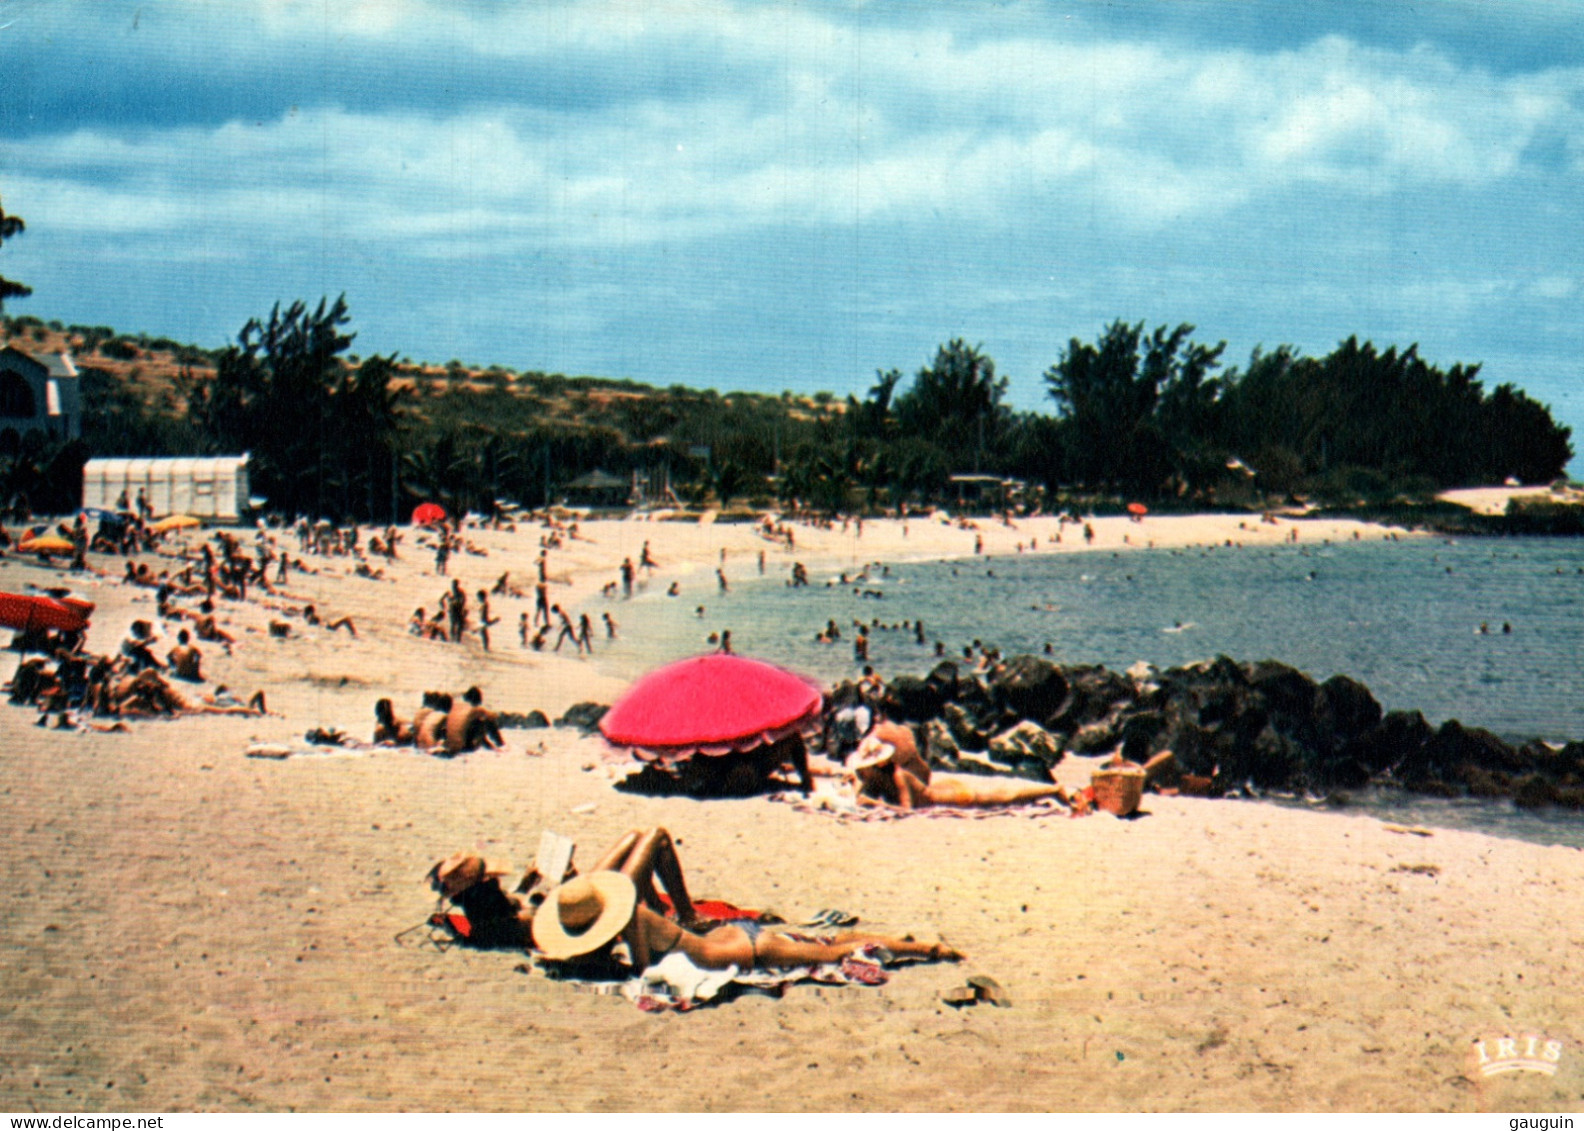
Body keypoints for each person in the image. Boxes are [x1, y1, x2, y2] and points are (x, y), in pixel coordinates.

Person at [529, 828, 962, 972]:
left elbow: (642, 971)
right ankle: (916, 943)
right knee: (831, 943)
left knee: (841, 951)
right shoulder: (634, 911)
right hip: (734, 937)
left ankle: (926, 948)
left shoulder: (633, 921)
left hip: (748, 949)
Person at [849, 726, 1073, 811]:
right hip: (936, 790)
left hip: (942, 796)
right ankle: (1051, 790)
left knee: (998, 796)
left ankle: (1054, 790)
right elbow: (863, 795)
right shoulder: (874, 776)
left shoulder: (899, 776)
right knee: (997, 792)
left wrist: (876, 803)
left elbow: (907, 810)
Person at [443, 686, 504, 756]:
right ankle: (500, 743)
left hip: (449, 745)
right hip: (467, 747)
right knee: (486, 721)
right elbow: (489, 722)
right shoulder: (477, 711)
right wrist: (493, 746)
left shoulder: (457, 708)